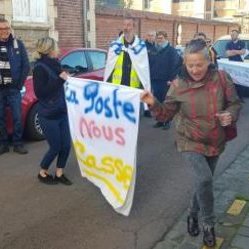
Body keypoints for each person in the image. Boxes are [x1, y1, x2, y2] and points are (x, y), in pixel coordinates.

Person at [141, 39, 241, 247]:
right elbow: (165, 114)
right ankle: (208, 225)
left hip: (215, 139)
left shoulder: (222, 78)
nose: (195, 69)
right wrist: (152, 103)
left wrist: (229, 115)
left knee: (202, 183)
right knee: (205, 180)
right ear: (184, 64)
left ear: (208, 61)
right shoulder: (178, 86)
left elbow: (234, 103)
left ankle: (192, 214)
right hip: (189, 140)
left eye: (199, 64)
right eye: (190, 65)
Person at [32, 37, 72, 185]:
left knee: (66, 145)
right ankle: (42, 171)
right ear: (49, 50)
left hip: (61, 111)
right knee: (55, 146)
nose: (58, 49)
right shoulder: (39, 68)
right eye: (56, 47)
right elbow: (40, 93)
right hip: (48, 115)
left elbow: (60, 81)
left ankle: (59, 172)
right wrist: (60, 80)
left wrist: (68, 78)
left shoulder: (56, 64)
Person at [0, 18, 30, 155]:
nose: (5, 31)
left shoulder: (18, 44)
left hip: (14, 89)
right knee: (0, 118)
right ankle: (4, 143)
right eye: (2, 29)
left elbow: (26, 65)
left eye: (7, 28)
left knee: (17, 116)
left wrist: (19, 84)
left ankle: (18, 143)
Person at [104, 16, 151, 91]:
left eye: (128, 25)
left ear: (134, 27)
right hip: (117, 88)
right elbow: (109, 69)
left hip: (134, 89)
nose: (126, 28)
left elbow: (144, 71)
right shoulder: (115, 46)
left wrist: (144, 89)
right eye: (124, 25)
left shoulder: (140, 47)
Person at [149, 31, 182, 130]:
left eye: (161, 38)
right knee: (157, 101)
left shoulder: (171, 51)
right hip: (155, 80)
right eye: (158, 38)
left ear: (166, 38)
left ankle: (167, 121)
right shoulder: (154, 50)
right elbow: (150, 64)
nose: (159, 40)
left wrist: (171, 79)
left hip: (166, 81)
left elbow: (175, 65)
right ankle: (159, 120)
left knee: (166, 102)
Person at [226, 29, 246, 100]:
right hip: (231, 65)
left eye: (233, 34)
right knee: (231, 82)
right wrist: (238, 51)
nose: (232, 35)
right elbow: (227, 53)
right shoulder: (228, 43)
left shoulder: (242, 43)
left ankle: (240, 97)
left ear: (237, 35)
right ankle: (232, 98)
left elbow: (243, 52)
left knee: (240, 81)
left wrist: (233, 51)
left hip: (239, 65)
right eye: (231, 34)